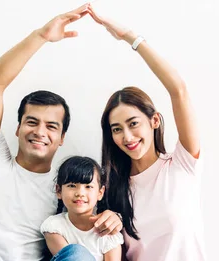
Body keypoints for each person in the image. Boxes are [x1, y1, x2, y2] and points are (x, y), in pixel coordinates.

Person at [0, 4, 123, 261]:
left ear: (62, 137)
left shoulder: (61, 186)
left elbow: (85, 215)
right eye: (32, 122)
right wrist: (40, 36)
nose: (40, 131)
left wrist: (113, 217)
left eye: (51, 126)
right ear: (18, 128)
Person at [87, 5, 207, 261]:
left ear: (154, 120)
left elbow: (179, 90)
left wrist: (129, 36)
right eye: (116, 129)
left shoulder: (182, 165)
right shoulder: (111, 190)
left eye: (133, 123)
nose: (127, 137)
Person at [40, 156, 124, 261]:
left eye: (88, 186)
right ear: (59, 191)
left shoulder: (108, 233)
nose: (80, 193)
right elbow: (70, 258)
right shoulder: (54, 226)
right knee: (77, 253)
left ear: (100, 192)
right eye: (72, 185)